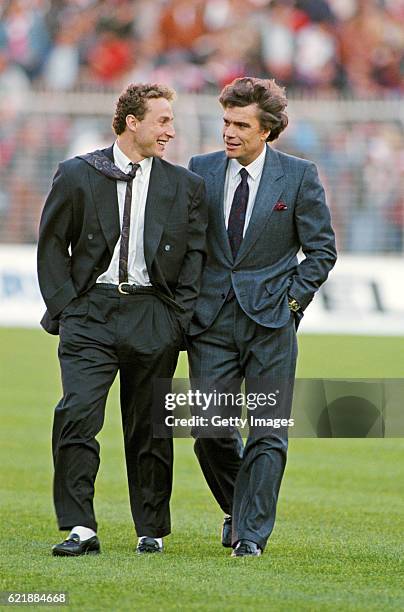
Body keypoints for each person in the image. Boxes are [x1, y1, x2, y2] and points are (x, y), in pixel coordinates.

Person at [37, 83, 207, 556]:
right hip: (89, 313)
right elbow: (52, 244)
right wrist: (67, 308)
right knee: (76, 414)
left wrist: (177, 319)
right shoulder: (76, 173)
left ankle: (149, 530)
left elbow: (194, 257)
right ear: (133, 122)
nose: (171, 130)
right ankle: (80, 528)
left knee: (151, 425)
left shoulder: (185, 186)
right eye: (163, 120)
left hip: (154, 315)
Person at [187, 77, 337, 557]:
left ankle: (250, 536)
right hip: (210, 323)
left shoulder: (299, 176)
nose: (229, 132)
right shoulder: (200, 169)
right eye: (225, 121)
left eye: (240, 124)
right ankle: (241, 506)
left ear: (268, 130)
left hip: (272, 323)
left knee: (269, 431)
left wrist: (291, 304)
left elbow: (321, 251)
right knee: (209, 429)